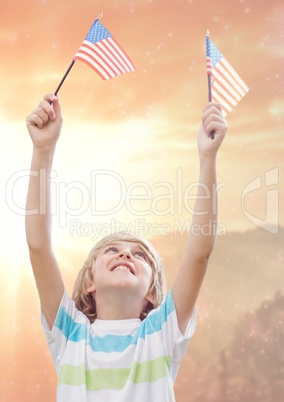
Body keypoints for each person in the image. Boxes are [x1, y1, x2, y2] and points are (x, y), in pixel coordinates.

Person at [25, 93, 227, 402]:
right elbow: (38, 246)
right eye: (111, 250)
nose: (125, 255)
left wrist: (207, 158)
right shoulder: (69, 333)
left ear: (151, 292)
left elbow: (199, 253)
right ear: (90, 282)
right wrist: (42, 149)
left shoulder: (159, 334)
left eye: (140, 255)